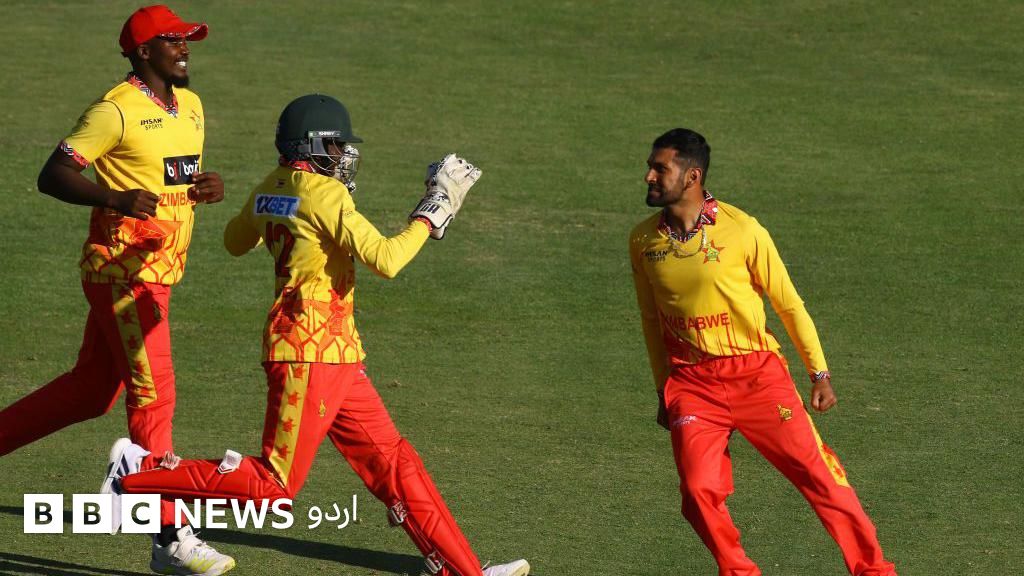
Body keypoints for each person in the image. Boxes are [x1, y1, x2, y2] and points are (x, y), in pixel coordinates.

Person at [107, 94, 530, 576]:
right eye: (336, 146)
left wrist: (284, 223)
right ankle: (137, 473)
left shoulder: (269, 187)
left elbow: (234, 241)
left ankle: (465, 572)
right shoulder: (326, 195)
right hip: (309, 354)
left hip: (334, 352)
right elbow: (387, 260)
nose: (344, 155)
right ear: (309, 145)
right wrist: (431, 213)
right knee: (275, 484)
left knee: (394, 464)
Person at [629, 128, 897, 576]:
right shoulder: (643, 242)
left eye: (660, 168)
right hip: (692, 385)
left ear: (692, 176)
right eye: (650, 167)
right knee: (697, 491)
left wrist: (819, 373)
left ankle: (874, 571)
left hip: (757, 376)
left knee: (821, 479)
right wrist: (663, 391)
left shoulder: (743, 230)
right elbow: (651, 321)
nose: (648, 177)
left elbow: (788, 304)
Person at [0, 5, 222, 491]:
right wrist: (114, 198)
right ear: (143, 51)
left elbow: (172, 179)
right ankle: (163, 520)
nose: (184, 48)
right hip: (124, 273)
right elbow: (53, 174)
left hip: (159, 270)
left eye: (185, 40)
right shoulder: (114, 111)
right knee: (154, 395)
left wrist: (206, 188)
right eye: (173, 40)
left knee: (91, 392)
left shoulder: (191, 105)